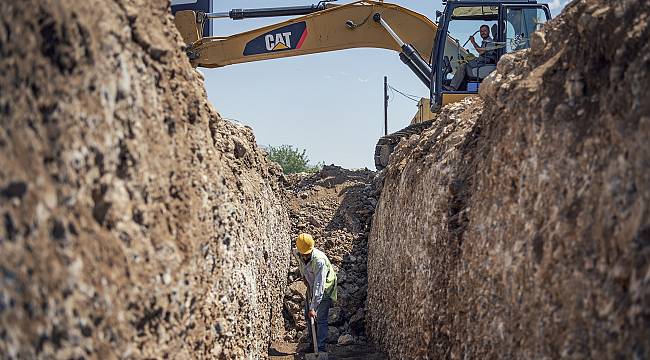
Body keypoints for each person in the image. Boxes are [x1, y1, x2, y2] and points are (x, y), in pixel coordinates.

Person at [294, 233, 338, 353]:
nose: (305, 256)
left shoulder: (319, 261)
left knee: (320, 318)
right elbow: (300, 261)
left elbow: (320, 285)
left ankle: (321, 348)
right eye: (304, 254)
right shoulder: (298, 252)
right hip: (311, 285)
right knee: (308, 316)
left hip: (325, 288)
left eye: (308, 254)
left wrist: (313, 307)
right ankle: (313, 344)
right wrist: (304, 276)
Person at [448, 24, 498, 91]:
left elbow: (481, 52)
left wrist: (473, 42)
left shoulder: (490, 42)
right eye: (481, 31)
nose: (483, 32)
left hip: (484, 64)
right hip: (482, 63)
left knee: (463, 66)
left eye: (485, 31)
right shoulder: (486, 42)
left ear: (489, 31)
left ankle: (453, 87)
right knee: (464, 63)